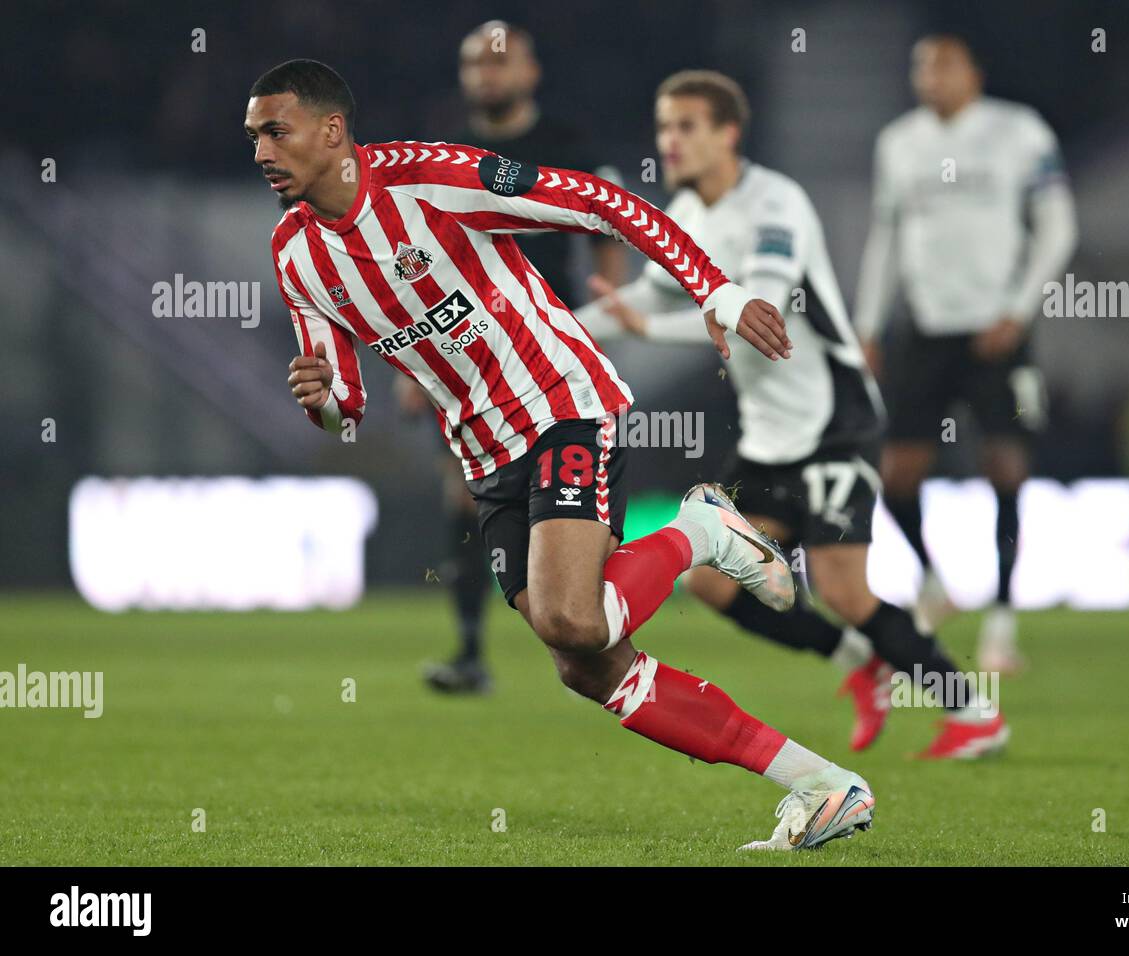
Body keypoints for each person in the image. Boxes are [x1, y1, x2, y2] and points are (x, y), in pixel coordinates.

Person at [250, 58, 873, 850]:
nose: (263, 151)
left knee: (573, 618)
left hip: (560, 406)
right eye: (254, 137)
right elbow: (347, 401)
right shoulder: (295, 253)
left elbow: (601, 202)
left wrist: (715, 290)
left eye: (277, 130)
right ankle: (821, 785)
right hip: (483, 454)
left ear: (331, 130)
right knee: (587, 667)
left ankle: (703, 534)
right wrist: (325, 402)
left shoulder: (431, 181)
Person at [579, 70, 1007, 758]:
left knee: (843, 589)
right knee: (713, 582)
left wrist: (673, 322)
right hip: (770, 436)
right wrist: (548, 327)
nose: (671, 141)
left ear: (728, 133)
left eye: (687, 125)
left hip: (836, 422)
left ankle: (974, 710)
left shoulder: (777, 202)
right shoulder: (687, 216)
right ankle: (858, 664)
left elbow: (762, 309)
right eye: (664, 127)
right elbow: (650, 301)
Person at [412, 21, 627, 695]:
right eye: (475, 62)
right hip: (466, 357)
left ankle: (590, 614)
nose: (488, 73)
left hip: (551, 358)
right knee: (468, 500)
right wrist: (415, 366)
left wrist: (608, 304)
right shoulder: (446, 152)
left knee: (565, 505)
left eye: (500, 61)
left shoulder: (567, 144)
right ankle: (472, 649)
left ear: (531, 72)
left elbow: (608, 218)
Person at [854, 35, 1078, 673]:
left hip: (996, 331)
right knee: (898, 473)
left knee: (1006, 468)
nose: (929, 75)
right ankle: (932, 581)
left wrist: (1018, 309)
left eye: (942, 63)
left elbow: (1059, 227)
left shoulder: (1019, 131)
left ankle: (1001, 629)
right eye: (920, 64)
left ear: (974, 72)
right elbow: (887, 237)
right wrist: (869, 324)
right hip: (927, 328)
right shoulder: (898, 142)